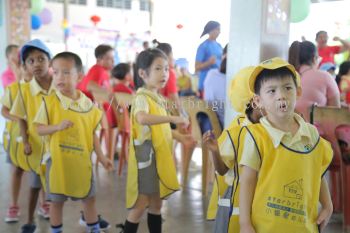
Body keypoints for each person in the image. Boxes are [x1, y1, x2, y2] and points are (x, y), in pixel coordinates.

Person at [239, 57, 333, 233]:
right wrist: (245, 223)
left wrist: (328, 206)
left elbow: (317, 172)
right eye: (272, 91)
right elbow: (247, 181)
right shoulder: (257, 136)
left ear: (297, 92)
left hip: (305, 226)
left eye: (287, 88)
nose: (281, 95)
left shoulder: (311, 133)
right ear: (258, 101)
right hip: (265, 227)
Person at [33, 51, 113, 233]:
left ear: (80, 76)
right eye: (56, 72)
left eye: (66, 72)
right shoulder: (49, 102)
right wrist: (56, 127)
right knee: (56, 202)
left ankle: (93, 228)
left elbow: (92, 132)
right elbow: (38, 129)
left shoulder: (88, 105)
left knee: (89, 198)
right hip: (58, 163)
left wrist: (101, 156)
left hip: (82, 162)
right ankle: (56, 230)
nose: (60, 77)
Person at [118, 48, 189, 233]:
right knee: (140, 205)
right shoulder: (141, 97)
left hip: (158, 158)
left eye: (166, 68)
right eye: (158, 68)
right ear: (142, 73)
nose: (164, 73)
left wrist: (180, 137)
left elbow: (160, 129)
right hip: (147, 160)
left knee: (156, 205)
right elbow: (142, 118)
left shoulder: (157, 98)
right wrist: (173, 119)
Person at [203, 66, 262, 233]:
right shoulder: (236, 130)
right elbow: (222, 170)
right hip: (234, 201)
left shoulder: (272, 129)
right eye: (270, 92)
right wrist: (215, 151)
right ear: (254, 100)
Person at [10, 39, 55, 233]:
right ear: (25, 66)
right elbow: (20, 118)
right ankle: (29, 221)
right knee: (35, 186)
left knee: (61, 186)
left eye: (41, 59)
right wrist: (26, 141)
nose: (36, 63)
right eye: (30, 61)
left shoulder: (59, 85)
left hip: (58, 145)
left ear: (50, 61)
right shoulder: (24, 90)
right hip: (38, 146)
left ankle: (80, 219)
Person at [1, 62, 32, 223]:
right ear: (19, 69)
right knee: (17, 171)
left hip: (35, 138)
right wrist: (19, 117)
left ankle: (44, 204)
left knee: (38, 172)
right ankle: (13, 205)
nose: (29, 70)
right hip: (16, 138)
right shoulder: (13, 89)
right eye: (25, 66)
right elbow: (4, 110)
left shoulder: (42, 90)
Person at [288, 40, 340, 122]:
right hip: (315, 132)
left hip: (284, 131)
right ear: (314, 58)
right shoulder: (325, 76)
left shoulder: (287, 76)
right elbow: (336, 112)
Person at [195, 20, 222, 97]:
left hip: (217, 84)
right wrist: (209, 63)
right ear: (211, 30)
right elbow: (196, 67)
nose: (219, 32)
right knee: (206, 108)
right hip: (205, 85)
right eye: (218, 29)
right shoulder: (203, 46)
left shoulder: (219, 46)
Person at [203, 44, 228, 127]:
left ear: (222, 56)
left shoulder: (211, 74)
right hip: (225, 128)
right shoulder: (234, 79)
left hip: (208, 126)